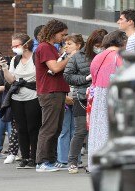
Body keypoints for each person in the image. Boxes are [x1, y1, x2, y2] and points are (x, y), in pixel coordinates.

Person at [63, 29, 108, 174]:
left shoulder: (107, 55)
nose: (99, 47)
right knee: (81, 130)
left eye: (102, 45)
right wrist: (85, 79)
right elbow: (68, 76)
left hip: (101, 97)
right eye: (97, 44)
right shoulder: (78, 56)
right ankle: (72, 161)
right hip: (82, 97)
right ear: (91, 43)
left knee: (98, 131)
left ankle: (94, 161)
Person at [0, 33, 41, 168]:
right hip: (17, 97)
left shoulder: (36, 57)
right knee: (20, 128)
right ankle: (25, 157)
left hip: (33, 96)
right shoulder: (15, 60)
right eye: (12, 46)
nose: (14, 48)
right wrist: (5, 68)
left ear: (26, 44)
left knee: (33, 127)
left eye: (16, 45)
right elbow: (11, 80)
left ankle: (34, 157)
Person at [87, 30, 127, 172]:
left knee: (98, 127)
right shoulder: (119, 56)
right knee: (113, 127)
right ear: (122, 42)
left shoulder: (97, 57)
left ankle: (95, 162)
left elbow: (93, 76)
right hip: (113, 93)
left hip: (98, 93)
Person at [34, 19, 70, 172]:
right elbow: (54, 68)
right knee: (49, 127)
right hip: (50, 92)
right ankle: (42, 162)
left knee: (55, 127)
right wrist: (69, 57)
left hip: (55, 91)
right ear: (54, 32)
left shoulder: (50, 48)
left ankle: (50, 160)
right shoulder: (45, 47)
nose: (64, 38)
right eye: (62, 34)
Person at [55, 34, 85, 170]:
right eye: (65, 44)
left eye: (70, 44)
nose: (66, 46)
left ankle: (76, 159)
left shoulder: (84, 58)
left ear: (78, 45)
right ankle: (62, 159)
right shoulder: (61, 58)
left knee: (77, 130)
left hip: (79, 97)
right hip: (66, 97)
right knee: (64, 129)